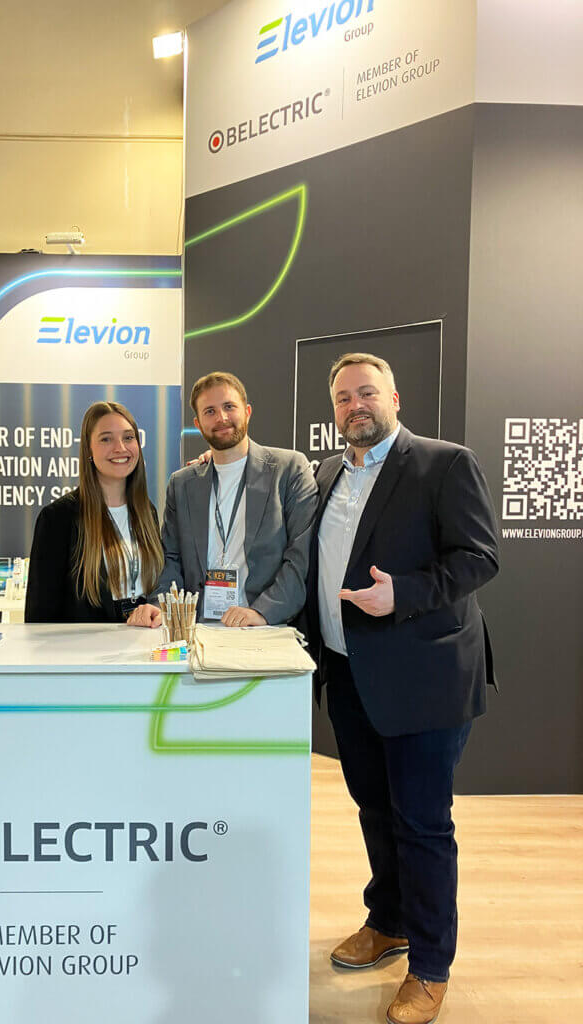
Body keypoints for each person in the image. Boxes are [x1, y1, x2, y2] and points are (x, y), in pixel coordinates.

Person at [305, 353, 499, 1024]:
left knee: (421, 823)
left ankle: (431, 966)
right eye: (342, 398)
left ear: (395, 396)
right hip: (349, 672)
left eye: (366, 393)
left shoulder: (444, 463)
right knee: (374, 810)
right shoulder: (327, 471)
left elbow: (479, 556)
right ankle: (387, 921)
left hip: (423, 677)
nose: (355, 405)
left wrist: (404, 596)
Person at [128, 371, 318, 629]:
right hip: (198, 629)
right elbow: (170, 558)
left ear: (247, 411)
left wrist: (263, 612)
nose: (221, 418)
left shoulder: (289, 468)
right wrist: (164, 607)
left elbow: (300, 555)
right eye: (210, 411)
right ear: (197, 423)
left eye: (229, 407)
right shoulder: (182, 483)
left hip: (266, 627)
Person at [25, 401, 163, 624]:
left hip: (143, 648)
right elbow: (39, 616)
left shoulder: (147, 512)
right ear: (89, 450)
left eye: (128, 437)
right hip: (84, 654)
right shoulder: (58, 518)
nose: (120, 448)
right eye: (106, 439)